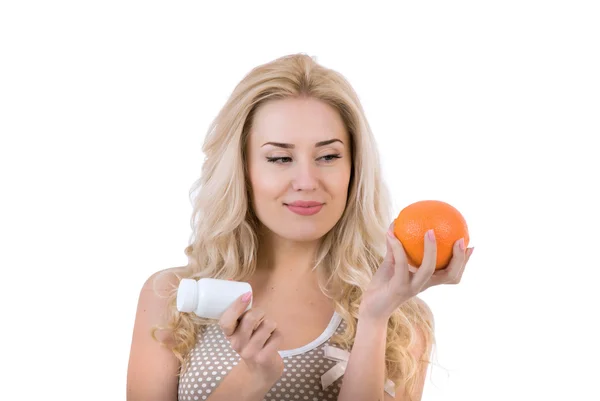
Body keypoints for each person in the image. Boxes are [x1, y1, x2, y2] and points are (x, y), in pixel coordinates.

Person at [126, 53, 473, 401]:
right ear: (243, 169)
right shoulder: (173, 297)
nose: (307, 181)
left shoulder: (401, 318)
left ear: (354, 168)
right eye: (280, 158)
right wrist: (250, 380)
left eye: (328, 157)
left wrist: (373, 318)